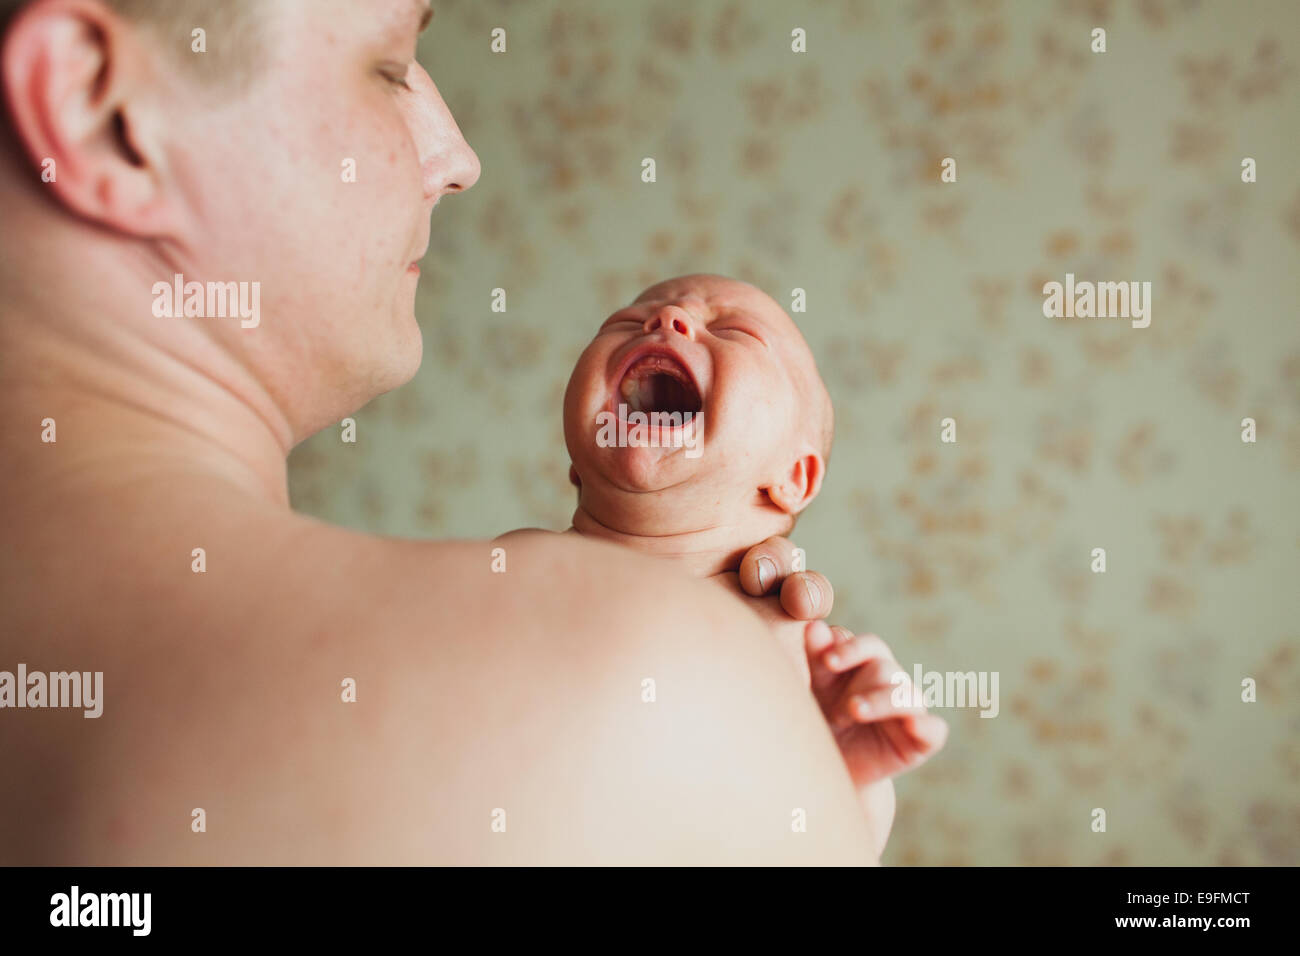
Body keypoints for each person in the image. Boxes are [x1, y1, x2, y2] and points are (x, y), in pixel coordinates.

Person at [0, 0, 879, 864]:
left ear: (793, 479)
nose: (459, 158)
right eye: (388, 66)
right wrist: (775, 762)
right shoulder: (644, 690)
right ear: (96, 109)